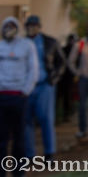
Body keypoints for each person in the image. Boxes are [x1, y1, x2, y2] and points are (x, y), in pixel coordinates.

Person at [23, 15, 65, 161]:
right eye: (29, 25)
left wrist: (53, 78)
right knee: (26, 120)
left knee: (46, 118)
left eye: (34, 25)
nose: (31, 28)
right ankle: (29, 155)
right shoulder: (22, 43)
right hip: (26, 87)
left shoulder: (50, 42)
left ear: (39, 27)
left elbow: (61, 62)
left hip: (44, 85)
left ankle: (49, 153)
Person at [0, 17, 37, 176]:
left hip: (20, 97)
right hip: (2, 97)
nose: (9, 29)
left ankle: (18, 171)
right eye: (6, 26)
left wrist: (25, 91)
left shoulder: (27, 46)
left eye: (12, 26)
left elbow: (33, 70)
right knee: (1, 138)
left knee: (19, 136)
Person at [57, 33, 77, 123]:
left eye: (73, 40)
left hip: (70, 77)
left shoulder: (77, 50)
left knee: (69, 96)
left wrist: (76, 73)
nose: (71, 42)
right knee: (63, 96)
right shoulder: (64, 49)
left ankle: (68, 113)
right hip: (63, 77)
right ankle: (63, 114)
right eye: (70, 40)